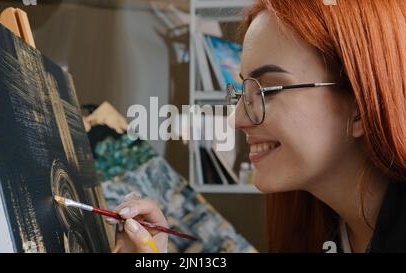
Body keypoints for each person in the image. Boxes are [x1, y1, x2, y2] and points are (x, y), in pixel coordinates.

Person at [107, 0, 406, 253]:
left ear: (360, 107)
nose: (237, 119)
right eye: (243, 92)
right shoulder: (317, 227)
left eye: (269, 90)